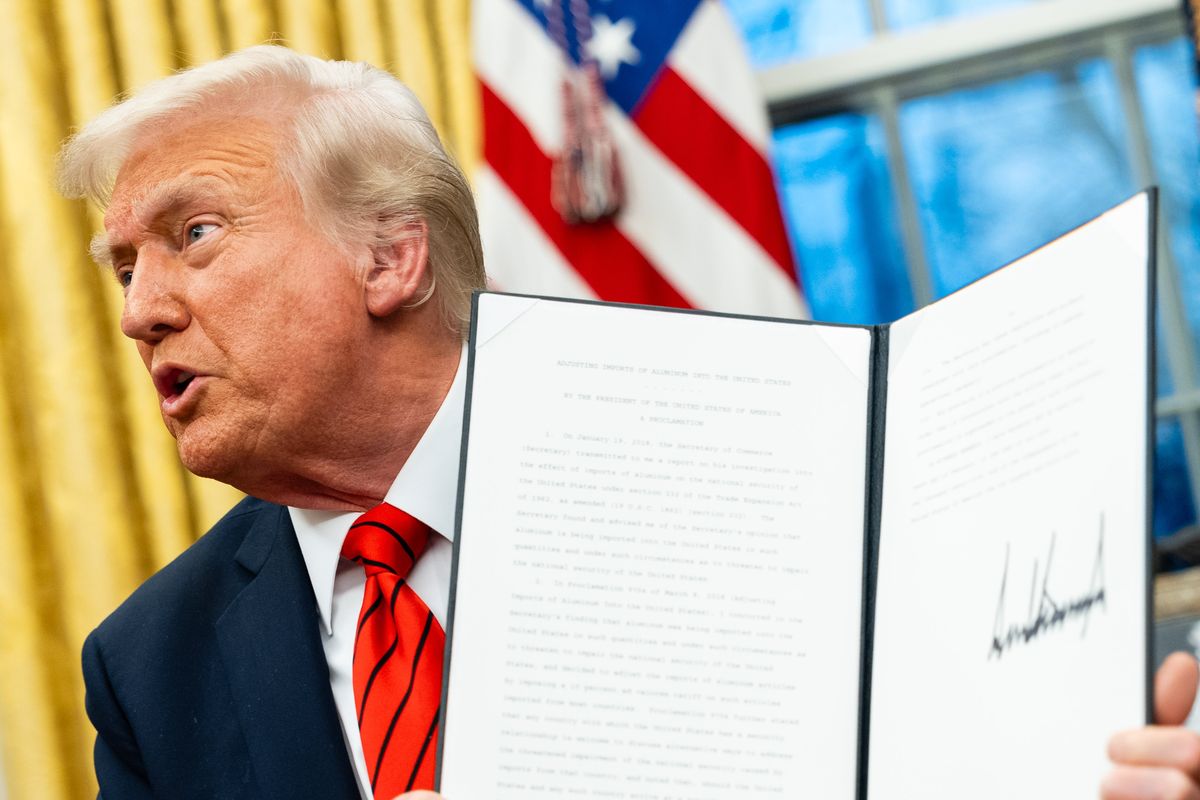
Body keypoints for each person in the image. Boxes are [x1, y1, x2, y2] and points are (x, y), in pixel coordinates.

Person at [55, 44, 1200, 800]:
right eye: (124, 267)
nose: (141, 312)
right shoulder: (150, 667)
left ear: (388, 256)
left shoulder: (755, 474)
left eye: (193, 234)